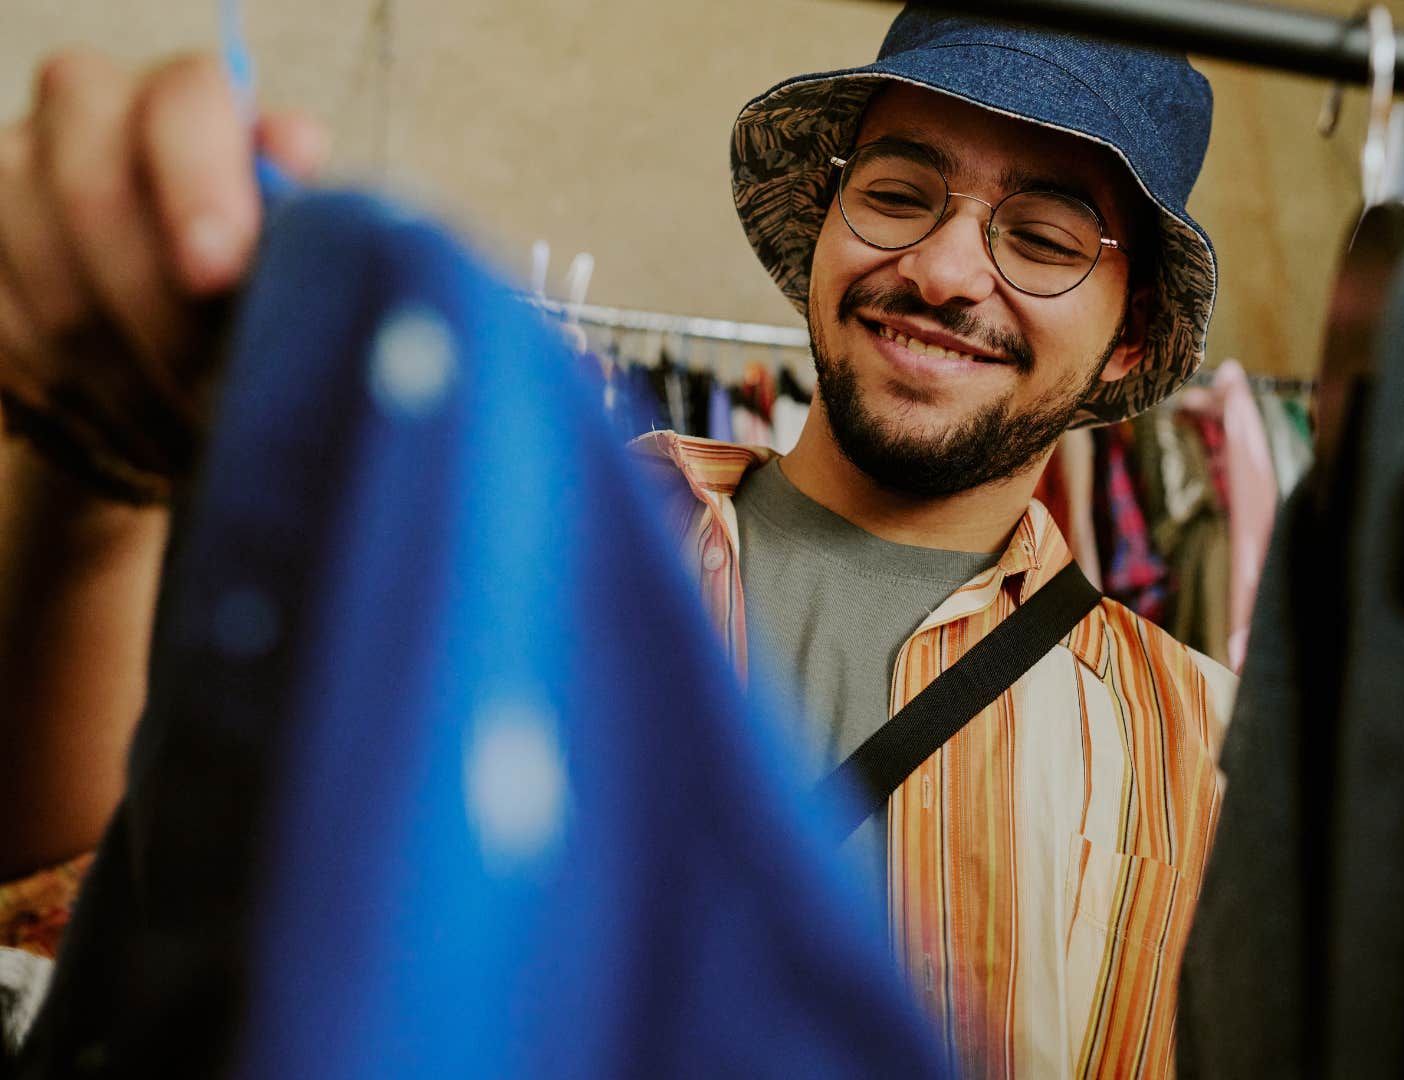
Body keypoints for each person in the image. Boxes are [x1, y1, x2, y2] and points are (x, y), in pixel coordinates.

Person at [0, 9, 1234, 1075]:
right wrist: (90, 474)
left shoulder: (1210, 751)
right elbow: (75, 904)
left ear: (1130, 343)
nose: (948, 269)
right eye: (900, 194)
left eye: (1047, 238)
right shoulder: (503, 546)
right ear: (827, 225)